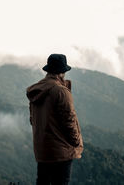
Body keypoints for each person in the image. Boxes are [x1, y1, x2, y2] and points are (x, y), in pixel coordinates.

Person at [26, 54, 83, 185]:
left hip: (42, 149)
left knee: (42, 181)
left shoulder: (37, 90)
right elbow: (70, 120)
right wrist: (75, 141)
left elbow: (32, 120)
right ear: (62, 72)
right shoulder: (61, 91)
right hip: (61, 150)